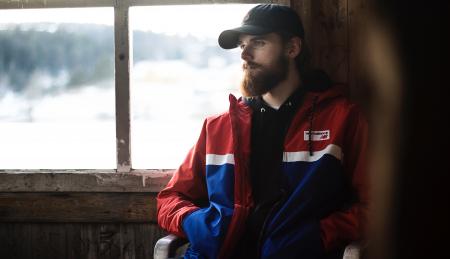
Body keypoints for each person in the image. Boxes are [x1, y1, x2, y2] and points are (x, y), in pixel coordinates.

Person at [157, 4, 368, 259]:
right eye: (242, 45)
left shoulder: (342, 119)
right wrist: (198, 225)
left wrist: (320, 234)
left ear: (292, 48)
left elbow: (378, 206)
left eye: (257, 42)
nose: (244, 54)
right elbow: (169, 199)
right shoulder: (218, 127)